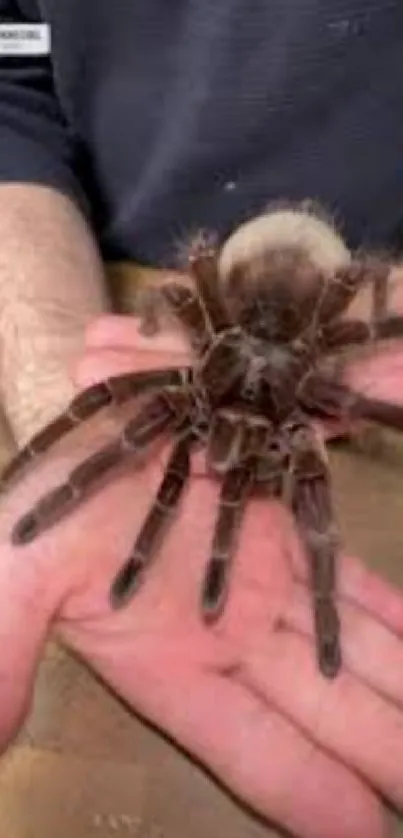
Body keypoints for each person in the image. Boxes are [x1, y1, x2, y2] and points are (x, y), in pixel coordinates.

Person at [0, 3, 403, 837]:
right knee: (120, 421)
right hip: (146, 268)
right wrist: (49, 454)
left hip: (325, 293)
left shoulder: (326, 352)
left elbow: (359, 376)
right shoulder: (196, 343)